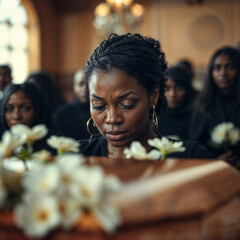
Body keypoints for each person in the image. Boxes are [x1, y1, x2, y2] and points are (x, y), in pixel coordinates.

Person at [80, 33, 212, 160]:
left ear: (153, 96)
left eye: (126, 104)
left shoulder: (191, 158)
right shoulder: (77, 157)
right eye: (99, 106)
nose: (112, 119)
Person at [189, 46, 240, 168]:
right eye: (217, 68)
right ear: (211, 72)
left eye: (230, 67)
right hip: (212, 167)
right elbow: (194, 143)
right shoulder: (203, 103)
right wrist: (214, 160)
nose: (223, 73)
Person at [0, 83, 63, 153]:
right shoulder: (2, 142)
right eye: (10, 109)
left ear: (37, 111)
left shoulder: (56, 143)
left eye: (24, 108)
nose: (16, 116)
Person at [52, 67, 92, 140]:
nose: (85, 89)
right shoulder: (62, 114)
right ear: (74, 87)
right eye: (81, 84)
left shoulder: (103, 113)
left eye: (88, 84)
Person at [157, 66, 193, 140]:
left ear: (187, 90)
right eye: (167, 88)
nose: (172, 94)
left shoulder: (195, 118)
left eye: (178, 88)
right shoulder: (155, 118)